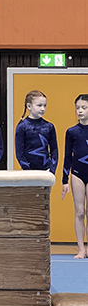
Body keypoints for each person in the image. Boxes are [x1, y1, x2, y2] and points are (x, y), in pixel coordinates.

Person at [61, 94, 88, 259]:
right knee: (79, 211)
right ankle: (81, 249)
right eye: (77, 108)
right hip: (77, 173)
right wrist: (64, 180)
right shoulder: (72, 132)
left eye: (84, 107)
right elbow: (67, 157)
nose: (80, 111)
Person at [15, 90, 58, 174]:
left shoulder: (49, 126)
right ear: (29, 106)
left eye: (44, 105)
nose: (42, 109)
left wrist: (52, 170)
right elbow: (19, 153)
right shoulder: (22, 127)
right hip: (28, 172)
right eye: (39, 105)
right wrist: (27, 170)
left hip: (46, 170)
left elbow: (54, 151)